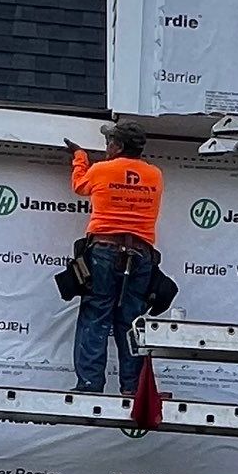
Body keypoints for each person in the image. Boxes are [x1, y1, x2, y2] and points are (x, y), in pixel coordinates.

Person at [64, 121, 164, 396]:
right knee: (131, 320)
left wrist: (80, 157)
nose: (107, 147)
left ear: (118, 146)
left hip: (104, 252)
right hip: (141, 255)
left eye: (110, 142)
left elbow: (79, 186)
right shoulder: (155, 175)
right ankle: (132, 387)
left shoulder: (100, 170)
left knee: (95, 316)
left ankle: (90, 384)